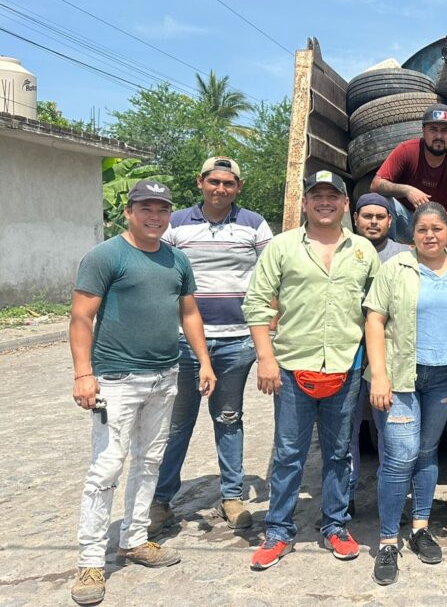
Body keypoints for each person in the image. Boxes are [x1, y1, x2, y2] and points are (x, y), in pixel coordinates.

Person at [69, 180, 216, 606]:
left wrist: (204, 361)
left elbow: (189, 312)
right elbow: (81, 317)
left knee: (150, 461)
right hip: (115, 379)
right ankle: (91, 559)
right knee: (107, 467)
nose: (155, 216)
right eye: (146, 208)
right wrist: (83, 374)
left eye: (162, 209)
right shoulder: (105, 256)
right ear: (129, 212)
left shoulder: (176, 259)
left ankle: (134, 539)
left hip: (164, 375)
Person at [242, 171, 380, 571]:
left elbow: (376, 310)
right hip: (290, 367)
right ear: (304, 203)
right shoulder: (283, 247)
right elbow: (256, 304)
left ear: (344, 204)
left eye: (332, 196)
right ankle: (279, 531)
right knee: (288, 454)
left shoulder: (363, 252)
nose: (324, 202)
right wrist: (265, 358)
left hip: (345, 367)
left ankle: (335, 525)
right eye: (316, 196)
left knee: (339, 453)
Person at [150, 157, 272, 535]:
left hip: (237, 341)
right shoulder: (175, 225)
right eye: (214, 181)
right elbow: (159, 276)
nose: (221, 188)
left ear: (239, 186)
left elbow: (271, 276)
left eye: (229, 183)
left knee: (229, 419)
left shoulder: (254, 224)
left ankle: (231, 496)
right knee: (178, 424)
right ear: (200, 181)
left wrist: (268, 327)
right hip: (186, 344)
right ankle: (161, 501)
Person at [364, 202, 447, 586]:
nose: (430, 235)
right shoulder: (394, 268)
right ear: (412, 233)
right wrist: (379, 376)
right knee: (399, 457)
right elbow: (374, 319)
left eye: (437, 228)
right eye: (422, 229)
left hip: (444, 378)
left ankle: (421, 527)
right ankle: (387, 541)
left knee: (427, 453)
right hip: (400, 377)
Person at [347, 192, 411, 514]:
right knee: (347, 431)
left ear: (390, 220)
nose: (373, 222)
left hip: (391, 358)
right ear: (356, 218)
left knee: (391, 435)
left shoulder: (405, 255)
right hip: (348, 355)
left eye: (380, 216)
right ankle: (346, 498)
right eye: (367, 216)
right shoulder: (343, 248)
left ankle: (393, 501)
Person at [371, 103, 447, 253]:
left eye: (444, 131)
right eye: (433, 130)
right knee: (382, 201)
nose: (438, 136)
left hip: (439, 225)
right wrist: (406, 190)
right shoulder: (406, 150)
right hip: (407, 221)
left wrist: (446, 216)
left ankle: (442, 258)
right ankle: (389, 256)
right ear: (424, 130)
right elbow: (376, 185)